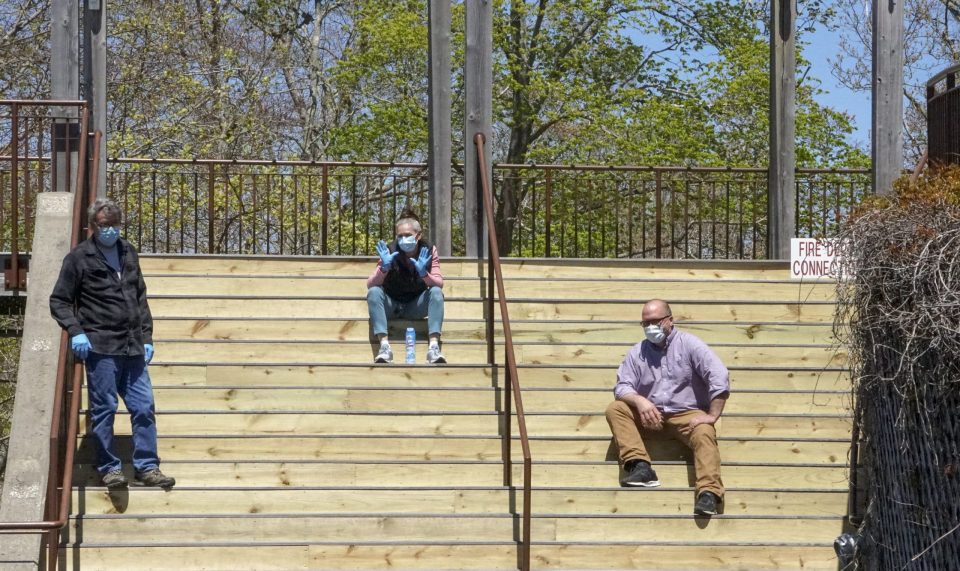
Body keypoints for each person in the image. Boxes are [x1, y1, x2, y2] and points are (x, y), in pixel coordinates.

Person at [50, 198, 175, 490]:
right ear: (93, 225)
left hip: (132, 347)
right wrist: (75, 331)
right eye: (105, 225)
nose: (110, 230)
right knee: (104, 408)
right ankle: (109, 467)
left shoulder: (128, 252)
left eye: (115, 224)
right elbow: (59, 300)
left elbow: (140, 297)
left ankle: (147, 467)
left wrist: (147, 337)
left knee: (143, 407)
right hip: (101, 346)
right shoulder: (79, 257)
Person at [605, 299, 729, 515]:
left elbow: (719, 376)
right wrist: (640, 401)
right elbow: (622, 385)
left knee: (704, 431)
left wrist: (712, 415)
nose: (650, 327)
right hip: (650, 413)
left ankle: (709, 493)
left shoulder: (690, 344)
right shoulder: (638, 352)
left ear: (670, 320)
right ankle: (640, 467)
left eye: (655, 321)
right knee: (616, 409)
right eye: (645, 323)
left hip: (686, 413)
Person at [366, 211, 446, 364]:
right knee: (374, 292)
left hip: (415, 305)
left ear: (418, 235)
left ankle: (434, 347)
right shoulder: (389, 250)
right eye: (400, 236)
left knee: (436, 292)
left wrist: (424, 274)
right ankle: (384, 347)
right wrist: (384, 268)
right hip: (391, 304)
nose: (403, 239)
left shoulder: (429, 250)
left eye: (407, 235)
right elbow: (370, 283)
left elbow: (439, 283)